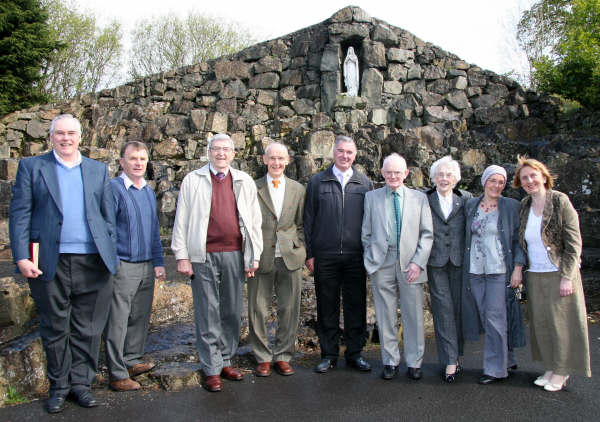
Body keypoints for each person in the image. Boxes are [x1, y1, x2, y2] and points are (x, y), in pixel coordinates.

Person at [9, 114, 118, 413]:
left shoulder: (97, 170)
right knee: (55, 326)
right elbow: (20, 214)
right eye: (60, 133)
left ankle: (82, 385)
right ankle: (59, 386)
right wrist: (21, 256)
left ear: (81, 137)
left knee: (89, 327)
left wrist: (111, 251)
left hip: (93, 262)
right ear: (51, 137)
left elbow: (108, 216)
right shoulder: (33, 167)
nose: (66, 138)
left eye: (71, 133)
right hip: (48, 262)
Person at [171, 133, 262, 392]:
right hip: (203, 254)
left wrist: (253, 256)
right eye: (216, 149)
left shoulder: (244, 181)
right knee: (207, 311)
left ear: (233, 154)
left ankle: (225, 359)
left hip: (235, 253)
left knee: (231, 311)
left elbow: (255, 222)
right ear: (208, 152)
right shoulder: (193, 180)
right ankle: (211, 367)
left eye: (226, 149)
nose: (221, 153)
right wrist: (182, 256)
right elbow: (182, 219)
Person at [513, 156, 591, 391]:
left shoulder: (560, 201)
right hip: (535, 273)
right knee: (542, 323)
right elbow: (521, 241)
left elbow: (574, 242)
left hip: (559, 272)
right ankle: (550, 366)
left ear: (544, 176)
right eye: (524, 178)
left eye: (533, 176)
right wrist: (519, 268)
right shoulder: (525, 205)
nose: (529, 181)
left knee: (561, 324)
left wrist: (568, 276)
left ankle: (562, 370)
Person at [304, 135, 374, 374]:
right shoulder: (317, 182)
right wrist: (310, 254)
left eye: (350, 152)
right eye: (341, 151)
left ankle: (355, 354)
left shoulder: (365, 184)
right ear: (333, 153)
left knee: (356, 306)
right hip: (326, 255)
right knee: (327, 307)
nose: (345, 156)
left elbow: (371, 221)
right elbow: (309, 219)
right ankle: (329, 354)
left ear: (355, 156)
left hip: (356, 255)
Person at [362, 153, 433, 381]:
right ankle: (389, 361)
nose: (393, 176)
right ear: (382, 173)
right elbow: (366, 233)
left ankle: (414, 362)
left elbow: (427, 235)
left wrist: (417, 263)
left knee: (413, 314)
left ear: (406, 174)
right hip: (382, 262)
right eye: (388, 172)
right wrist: (371, 258)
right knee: (385, 315)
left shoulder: (419, 198)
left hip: (411, 263)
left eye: (397, 172)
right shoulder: (371, 197)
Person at [104, 141, 166, 392]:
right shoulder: (114, 190)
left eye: (142, 159)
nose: (138, 163)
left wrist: (159, 263)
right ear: (122, 162)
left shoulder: (149, 192)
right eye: (133, 159)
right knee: (118, 319)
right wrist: (113, 262)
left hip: (146, 265)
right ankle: (117, 373)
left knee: (139, 316)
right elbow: (107, 230)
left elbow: (154, 231)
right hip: (123, 265)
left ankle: (131, 360)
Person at [463, 165, 526, 385]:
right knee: (486, 316)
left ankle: (495, 369)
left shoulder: (511, 206)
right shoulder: (471, 205)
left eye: (501, 182)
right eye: (493, 180)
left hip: (499, 271)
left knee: (495, 318)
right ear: (484, 182)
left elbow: (519, 240)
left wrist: (518, 267)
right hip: (475, 271)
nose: (497, 185)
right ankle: (508, 358)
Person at [249, 142, 306, 377]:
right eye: (272, 158)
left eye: (281, 158)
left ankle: (283, 355)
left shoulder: (298, 189)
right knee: (258, 309)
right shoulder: (252, 187)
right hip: (261, 257)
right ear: (264, 160)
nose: (276, 162)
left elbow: (301, 223)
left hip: (290, 257)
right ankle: (262, 356)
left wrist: (300, 248)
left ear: (288, 161)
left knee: (289, 309)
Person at [425, 156, 471, 382]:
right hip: (436, 263)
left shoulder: (467, 200)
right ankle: (449, 362)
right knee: (443, 312)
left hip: (460, 262)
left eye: (449, 174)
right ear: (433, 177)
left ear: (456, 178)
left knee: (459, 311)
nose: (444, 178)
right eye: (440, 174)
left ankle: (456, 355)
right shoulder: (424, 199)